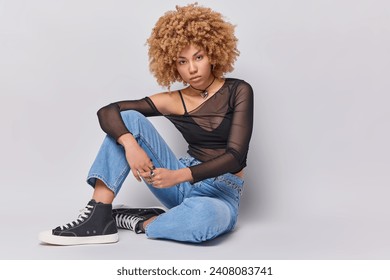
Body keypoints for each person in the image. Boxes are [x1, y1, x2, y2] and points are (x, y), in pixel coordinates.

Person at [39, 3, 253, 245]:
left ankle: (142, 220)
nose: (192, 69)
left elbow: (236, 156)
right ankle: (99, 215)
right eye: (182, 62)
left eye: (198, 57)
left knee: (202, 221)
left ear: (213, 54)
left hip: (219, 195)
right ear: (173, 65)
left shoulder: (239, 90)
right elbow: (108, 111)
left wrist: (178, 176)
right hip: (177, 185)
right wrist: (130, 144)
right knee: (128, 119)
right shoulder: (174, 100)